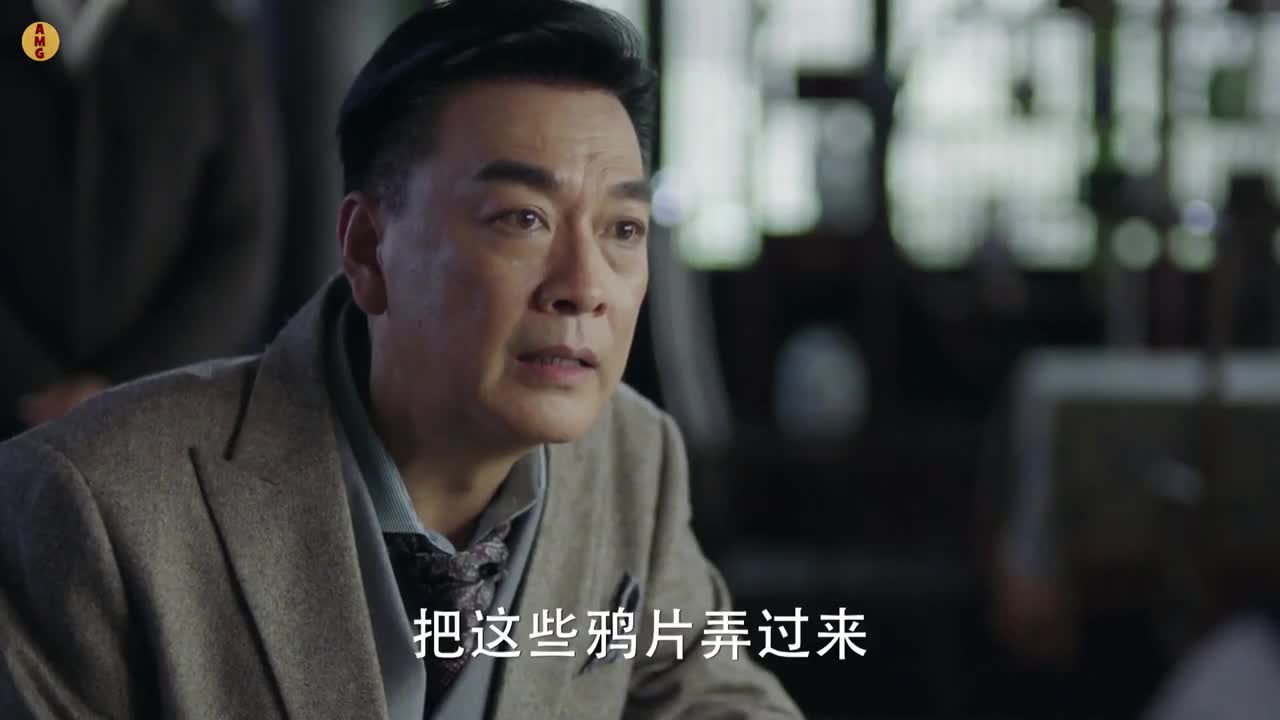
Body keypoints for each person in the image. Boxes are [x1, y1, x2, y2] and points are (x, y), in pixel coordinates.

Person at [0, 1, 803, 717]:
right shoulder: (90, 504)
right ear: (367, 248)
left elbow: (709, 692)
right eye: (522, 218)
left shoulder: (634, 454)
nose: (584, 288)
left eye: (623, 230)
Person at [0, 0, 283, 440]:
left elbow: (241, 234)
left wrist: (122, 383)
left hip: (164, 419)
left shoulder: (214, 42)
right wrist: (30, 383)